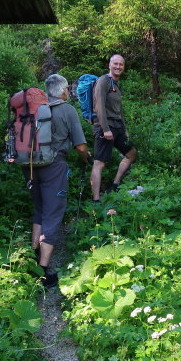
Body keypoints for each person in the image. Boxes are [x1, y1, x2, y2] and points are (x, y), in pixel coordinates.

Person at [24, 74, 91, 287]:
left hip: (30, 165)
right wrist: (85, 159)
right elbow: (80, 146)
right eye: (67, 90)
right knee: (53, 215)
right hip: (54, 167)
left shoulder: (35, 109)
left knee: (40, 209)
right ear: (62, 91)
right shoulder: (67, 110)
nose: (69, 93)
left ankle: (33, 259)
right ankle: (43, 273)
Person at [90, 54, 137, 201]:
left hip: (118, 127)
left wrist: (125, 129)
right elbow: (99, 107)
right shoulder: (103, 81)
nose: (118, 67)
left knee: (131, 153)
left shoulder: (115, 83)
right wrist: (105, 129)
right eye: (115, 64)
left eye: (121, 64)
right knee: (99, 163)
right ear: (109, 65)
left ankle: (115, 185)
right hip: (105, 127)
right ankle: (96, 200)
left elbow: (119, 110)